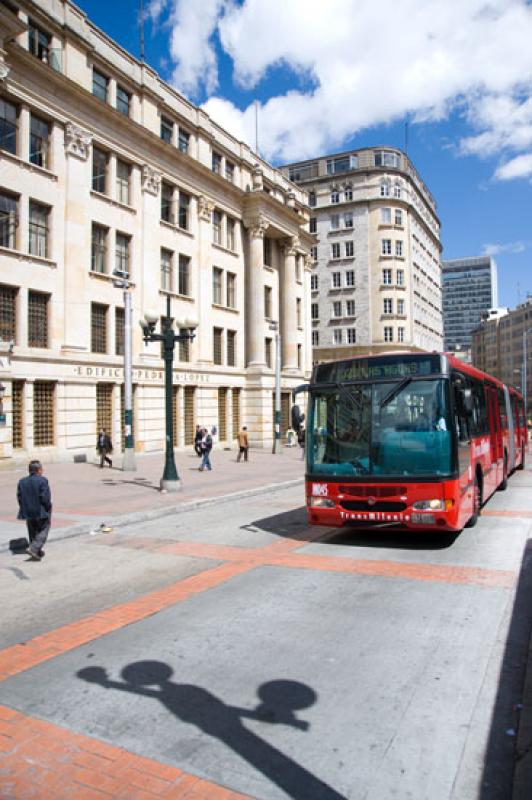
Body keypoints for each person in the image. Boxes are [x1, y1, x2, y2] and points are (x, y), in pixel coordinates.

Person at [17, 460, 52, 561]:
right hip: (40, 510)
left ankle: (37, 550)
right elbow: (45, 498)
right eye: (42, 469)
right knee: (44, 529)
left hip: (28, 510)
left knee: (32, 530)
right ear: (39, 470)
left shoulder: (22, 481)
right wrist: (48, 507)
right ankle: (34, 548)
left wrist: (24, 507)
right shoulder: (43, 480)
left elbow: (19, 497)